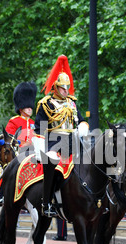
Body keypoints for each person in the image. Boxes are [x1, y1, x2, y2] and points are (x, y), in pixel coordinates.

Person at [32, 55, 89, 217]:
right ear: (56, 87)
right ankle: (46, 202)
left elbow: (81, 121)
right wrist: (41, 150)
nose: (66, 91)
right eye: (63, 88)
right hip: (53, 142)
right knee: (51, 163)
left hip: (73, 142)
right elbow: (40, 128)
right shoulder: (46, 104)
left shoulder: (72, 103)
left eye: (67, 88)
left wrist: (84, 126)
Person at [5, 82, 37, 147]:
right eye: (27, 107)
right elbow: (9, 140)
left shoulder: (33, 123)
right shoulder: (14, 121)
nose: (30, 109)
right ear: (21, 109)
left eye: (30, 107)